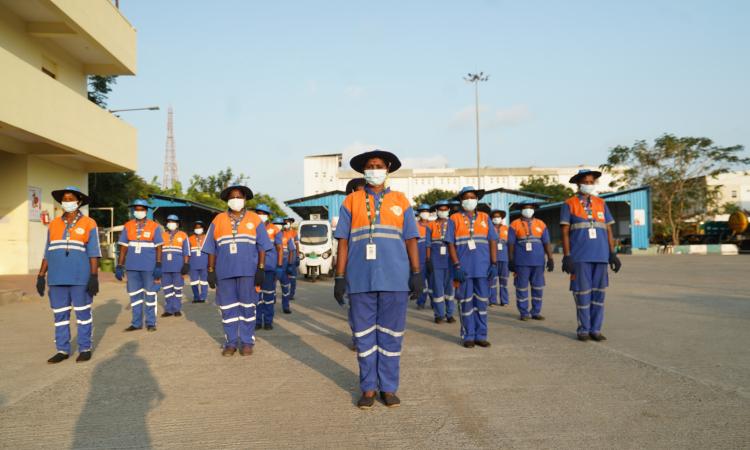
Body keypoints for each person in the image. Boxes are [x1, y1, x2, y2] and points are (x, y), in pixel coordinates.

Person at [333, 150, 422, 409]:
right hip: (360, 279)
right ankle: (369, 388)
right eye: (370, 166)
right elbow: (342, 242)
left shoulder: (401, 200)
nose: (374, 169)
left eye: (379, 165)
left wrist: (416, 272)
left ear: (388, 169)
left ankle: (389, 388)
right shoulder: (351, 201)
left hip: (395, 279)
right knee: (363, 337)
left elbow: (411, 239)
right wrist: (339, 277)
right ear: (363, 171)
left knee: (391, 337)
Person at [203, 186, 272, 356]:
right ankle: (231, 342)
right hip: (224, 272)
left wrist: (261, 268)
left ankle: (247, 342)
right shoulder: (218, 220)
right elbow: (211, 248)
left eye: (239, 197)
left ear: (245, 199)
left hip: (248, 271)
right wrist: (210, 270)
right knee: (228, 309)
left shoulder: (254, 219)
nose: (236, 199)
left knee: (248, 307)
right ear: (227, 200)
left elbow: (262, 246)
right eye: (232, 197)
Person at [36, 186, 100, 363]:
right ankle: (62, 350)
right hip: (56, 278)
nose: (67, 202)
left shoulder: (89, 223)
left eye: (71, 199)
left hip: (80, 277)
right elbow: (48, 252)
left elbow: (94, 252)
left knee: (82, 313)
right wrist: (41, 275)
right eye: (65, 199)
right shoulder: (54, 224)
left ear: (78, 202)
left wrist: (94, 276)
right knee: (60, 315)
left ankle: (85, 348)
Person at [561, 169, 622, 341]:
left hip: (601, 256)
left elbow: (609, 229)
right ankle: (584, 329)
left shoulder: (601, 203)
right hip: (580, 257)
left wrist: (612, 253)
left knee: (598, 295)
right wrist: (567, 256)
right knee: (582, 294)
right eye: (585, 182)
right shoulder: (569, 204)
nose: (589, 184)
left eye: (591, 182)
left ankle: (596, 329)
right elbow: (565, 231)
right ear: (578, 183)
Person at [446, 187, 498, 348]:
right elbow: (450, 244)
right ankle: (468, 335)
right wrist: (456, 265)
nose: (469, 200)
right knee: (466, 303)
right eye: (466, 197)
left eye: (472, 197)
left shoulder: (485, 217)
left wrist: (494, 263)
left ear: (477, 199)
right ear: (461, 201)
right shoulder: (454, 218)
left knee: (482, 304)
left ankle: (481, 335)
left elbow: (492, 241)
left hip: (483, 269)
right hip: (464, 270)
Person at [116, 199, 163, 332]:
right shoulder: (128, 225)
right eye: (136, 209)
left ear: (146, 211)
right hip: (132, 266)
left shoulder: (154, 226)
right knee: (135, 296)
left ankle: (151, 322)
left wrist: (159, 264)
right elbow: (123, 247)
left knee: (150, 294)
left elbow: (159, 247)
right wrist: (120, 265)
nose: (139, 211)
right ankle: (136, 323)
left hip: (149, 266)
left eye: (141, 209)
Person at [508, 201, 554, 321]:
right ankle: (524, 312)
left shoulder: (541, 224)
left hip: (538, 262)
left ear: (534, 209)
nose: (528, 210)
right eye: (525, 208)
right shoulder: (514, 224)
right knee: (521, 288)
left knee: (538, 288)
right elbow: (511, 243)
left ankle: (536, 312)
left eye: (530, 208)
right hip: (521, 262)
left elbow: (546, 242)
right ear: (521, 210)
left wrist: (550, 258)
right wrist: (511, 259)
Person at [426, 200, 456, 324]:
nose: (443, 211)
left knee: (450, 289)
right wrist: (428, 260)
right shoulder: (431, 225)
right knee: (438, 289)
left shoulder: (453, 224)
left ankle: (450, 314)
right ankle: (439, 314)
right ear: (437, 211)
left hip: (450, 260)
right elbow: (427, 244)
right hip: (436, 260)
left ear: (448, 211)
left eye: (445, 209)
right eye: (440, 209)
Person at [255, 204, 282, 330]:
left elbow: (280, 248)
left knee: (269, 296)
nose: (260, 215)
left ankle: (268, 321)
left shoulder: (275, 229)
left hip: (270, 267)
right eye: (258, 212)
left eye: (263, 213)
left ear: (268, 215)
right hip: (255, 268)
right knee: (256, 296)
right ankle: (257, 321)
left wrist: (280, 265)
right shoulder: (252, 228)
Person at [160, 215, 190, 317]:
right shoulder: (162, 235)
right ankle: (168, 309)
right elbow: (158, 251)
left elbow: (186, 251)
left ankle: (177, 309)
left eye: (173, 221)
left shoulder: (183, 235)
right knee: (167, 289)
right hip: (165, 267)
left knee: (177, 288)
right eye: (169, 221)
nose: (171, 223)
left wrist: (186, 264)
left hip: (178, 267)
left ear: (177, 224)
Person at [273, 217, 296, 315]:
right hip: (273, 266)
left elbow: (291, 250)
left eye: (280, 225)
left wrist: (290, 264)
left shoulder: (287, 235)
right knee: (271, 288)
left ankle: (286, 306)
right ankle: (271, 304)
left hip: (284, 267)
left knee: (285, 288)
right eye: (276, 224)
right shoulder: (269, 235)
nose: (278, 226)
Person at [489, 210, 510, 307]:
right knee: (491, 281)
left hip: (504, 259)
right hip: (491, 259)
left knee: (504, 281)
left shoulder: (507, 229)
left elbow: (511, 245)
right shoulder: (488, 229)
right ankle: (492, 300)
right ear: (491, 218)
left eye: (498, 217)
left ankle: (504, 300)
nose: (496, 218)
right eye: (494, 217)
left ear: (502, 218)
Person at [415, 203, 432, 309]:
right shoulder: (415, 225)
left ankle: (435, 303)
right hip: (419, 258)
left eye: (427, 211)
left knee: (432, 282)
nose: (425, 213)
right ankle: (421, 302)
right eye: (423, 211)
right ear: (419, 213)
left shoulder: (433, 225)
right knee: (421, 282)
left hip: (431, 259)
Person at [188, 220, 209, 303]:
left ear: (203, 228)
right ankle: (196, 297)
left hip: (205, 263)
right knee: (194, 282)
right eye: (196, 227)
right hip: (193, 264)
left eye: (200, 227)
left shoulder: (207, 238)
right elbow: (187, 252)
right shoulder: (189, 239)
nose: (198, 229)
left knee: (204, 281)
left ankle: (203, 297)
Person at [283, 216, 299, 300]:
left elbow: (297, 245)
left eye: (288, 222)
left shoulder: (294, 232)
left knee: (293, 277)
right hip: (283, 257)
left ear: (291, 223)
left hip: (292, 256)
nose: (287, 223)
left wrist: (298, 256)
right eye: (285, 222)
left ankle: (291, 294)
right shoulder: (280, 233)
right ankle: (285, 292)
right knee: (283, 277)